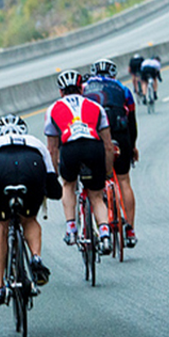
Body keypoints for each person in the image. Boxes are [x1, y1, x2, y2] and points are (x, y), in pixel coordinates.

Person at [0, 114, 62, 305]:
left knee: (1, 224)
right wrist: (45, 191)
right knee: (29, 219)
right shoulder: (35, 142)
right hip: (31, 165)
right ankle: (35, 257)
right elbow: (55, 189)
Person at [45, 70, 118, 254]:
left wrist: (55, 175)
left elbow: (52, 149)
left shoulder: (53, 109)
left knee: (68, 185)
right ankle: (104, 234)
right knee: (95, 196)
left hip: (70, 148)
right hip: (93, 147)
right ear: (81, 88)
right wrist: (107, 171)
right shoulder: (95, 106)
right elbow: (108, 146)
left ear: (61, 92)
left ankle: (71, 229)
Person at [83, 58, 140, 247]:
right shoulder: (123, 89)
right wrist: (132, 147)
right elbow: (131, 120)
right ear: (113, 75)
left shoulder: (84, 88)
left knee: (95, 183)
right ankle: (130, 230)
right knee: (123, 180)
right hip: (120, 134)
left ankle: (96, 226)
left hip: (95, 134)